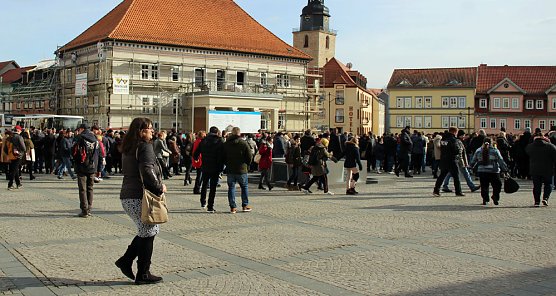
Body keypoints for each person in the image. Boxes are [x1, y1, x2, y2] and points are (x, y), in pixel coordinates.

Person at [117, 117, 165, 284]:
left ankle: (127, 261)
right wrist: (159, 187)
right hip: (139, 196)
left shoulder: (129, 147)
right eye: (149, 129)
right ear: (141, 132)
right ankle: (142, 273)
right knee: (149, 231)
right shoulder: (144, 147)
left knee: (148, 231)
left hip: (128, 195)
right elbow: (147, 170)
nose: (152, 131)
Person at [194, 126, 224, 213]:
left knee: (204, 184)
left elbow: (196, 153)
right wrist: (221, 167)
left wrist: (197, 159)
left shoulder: (204, 141)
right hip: (215, 166)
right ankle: (210, 206)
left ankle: (203, 202)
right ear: (217, 132)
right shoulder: (219, 141)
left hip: (205, 166)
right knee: (213, 187)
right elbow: (222, 155)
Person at [223, 127, 253, 213]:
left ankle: (232, 207)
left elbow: (223, 156)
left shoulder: (226, 144)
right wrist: (247, 164)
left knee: (231, 188)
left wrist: (226, 163)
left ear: (232, 133)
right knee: (244, 187)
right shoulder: (243, 143)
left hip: (230, 169)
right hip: (242, 169)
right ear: (239, 133)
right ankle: (245, 205)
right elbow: (249, 156)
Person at [470, 138, 508, 206]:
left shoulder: (478, 150)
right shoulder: (495, 150)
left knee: (484, 186)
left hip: (482, 171)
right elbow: (500, 160)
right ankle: (495, 197)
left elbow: (473, 160)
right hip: (494, 171)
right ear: (492, 142)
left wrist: (470, 166)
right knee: (497, 185)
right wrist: (505, 169)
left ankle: (485, 199)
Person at [73, 123, 100, 217]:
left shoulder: (79, 137)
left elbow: (74, 152)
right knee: (90, 188)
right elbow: (99, 154)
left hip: (82, 166)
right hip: (92, 167)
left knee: (82, 189)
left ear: (81, 129)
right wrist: (98, 168)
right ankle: (89, 209)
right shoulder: (95, 138)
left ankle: (84, 210)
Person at [526, 132, 556, 207]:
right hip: (548, 169)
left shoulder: (530, 146)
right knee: (548, 184)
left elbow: (526, 154)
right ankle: (545, 198)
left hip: (535, 169)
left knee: (536, 186)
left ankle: (536, 201)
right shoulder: (550, 146)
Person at [433, 127, 464, 197]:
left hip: (444, 159)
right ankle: (458, 191)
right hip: (452, 160)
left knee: (442, 176)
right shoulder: (453, 140)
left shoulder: (443, 139)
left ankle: (436, 190)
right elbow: (455, 150)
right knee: (456, 176)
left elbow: (441, 148)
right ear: (454, 132)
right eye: (456, 132)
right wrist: (459, 150)